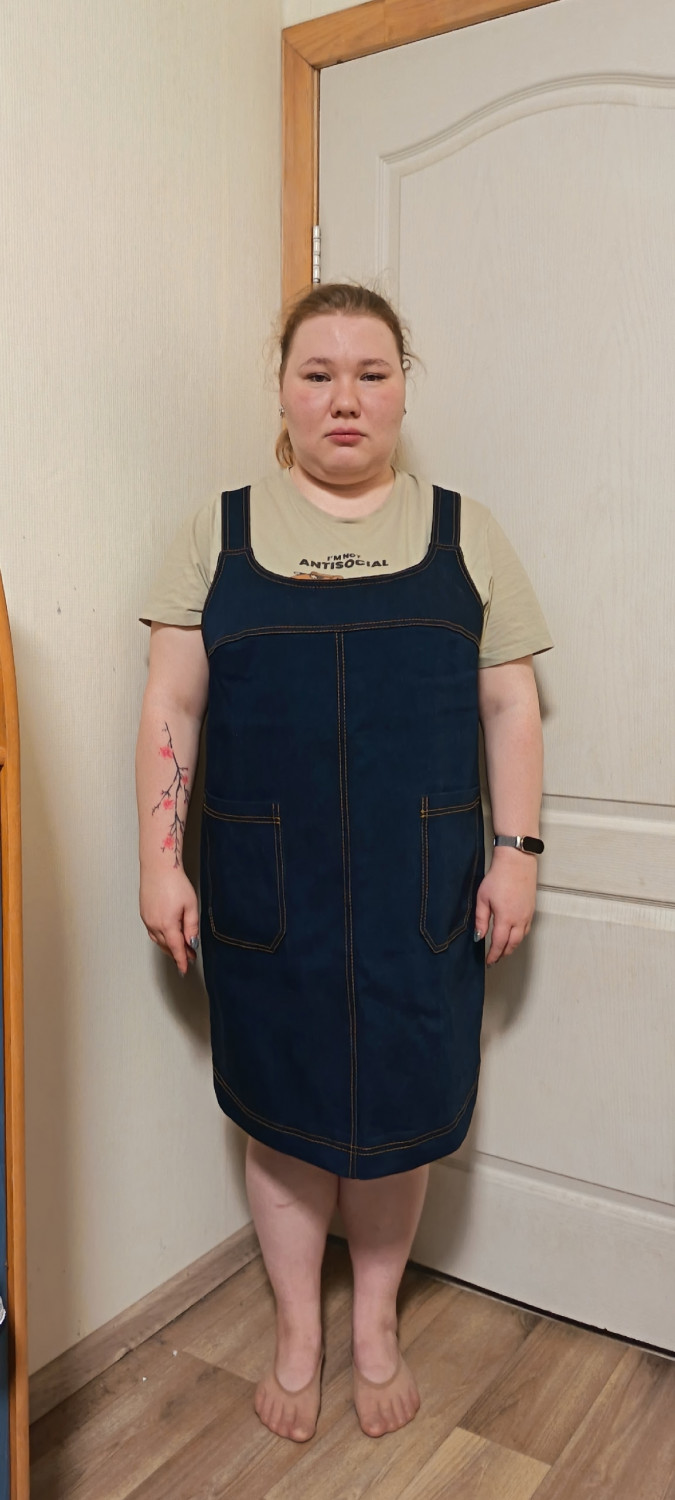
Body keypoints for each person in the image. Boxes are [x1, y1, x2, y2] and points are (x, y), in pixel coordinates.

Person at [136, 283, 552, 1444]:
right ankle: (296, 1332)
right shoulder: (216, 534)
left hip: (425, 895)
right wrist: (159, 863)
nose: (345, 398)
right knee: (281, 1119)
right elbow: (170, 707)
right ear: (281, 391)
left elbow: (512, 707)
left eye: (372, 372)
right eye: (316, 373)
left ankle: (373, 1324)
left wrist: (518, 855)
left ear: (403, 389)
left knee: (399, 1120)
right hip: (267, 897)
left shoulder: (467, 534)